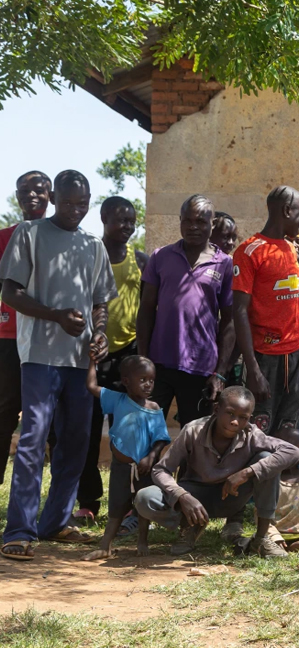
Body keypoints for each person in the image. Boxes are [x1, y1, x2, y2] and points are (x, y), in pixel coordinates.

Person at [0, 170, 117, 561]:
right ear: (54, 199)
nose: (75, 211)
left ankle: (55, 521)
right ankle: (18, 529)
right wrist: (55, 316)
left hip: (79, 361)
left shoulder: (93, 245)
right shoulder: (29, 234)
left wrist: (99, 333)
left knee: (75, 442)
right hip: (38, 356)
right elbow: (11, 293)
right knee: (33, 438)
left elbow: (101, 302)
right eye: (68, 203)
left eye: (82, 205)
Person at [134, 386, 299, 558]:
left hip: (230, 497)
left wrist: (246, 472)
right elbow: (161, 470)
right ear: (216, 409)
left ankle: (261, 539)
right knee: (144, 498)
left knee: (267, 459)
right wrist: (183, 496)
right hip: (193, 497)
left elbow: (294, 452)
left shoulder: (252, 434)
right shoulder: (194, 430)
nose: (235, 421)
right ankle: (190, 525)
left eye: (243, 417)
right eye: (230, 413)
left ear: (249, 419)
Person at [75, 196, 148, 526]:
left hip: (128, 357)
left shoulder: (141, 260)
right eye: (120, 220)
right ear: (104, 218)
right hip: (94, 355)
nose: (127, 226)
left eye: (132, 221)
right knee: (89, 430)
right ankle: (88, 501)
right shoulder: (90, 255)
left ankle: (129, 503)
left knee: (127, 433)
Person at [138, 194, 235, 427]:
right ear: (180, 221)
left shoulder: (224, 264)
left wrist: (220, 372)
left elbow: (229, 322)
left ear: (212, 224)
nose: (193, 227)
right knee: (148, 432)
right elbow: (146, 309)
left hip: (201, 367)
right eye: (187, 221)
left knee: (194, 441)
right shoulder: (161, 256)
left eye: (201, 221)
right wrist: (143, 359)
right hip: (159, 364)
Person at [233, 186, 299, 435]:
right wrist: (253, 369)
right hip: (265, 357)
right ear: (287, 211)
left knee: (288, 429)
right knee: (257, 431)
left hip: (298, 354)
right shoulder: (249, 252)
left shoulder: (290, 249)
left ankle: (281, 476)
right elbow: (239, 312)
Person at [82, 355, 169, 561]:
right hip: (120, 467)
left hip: (144, 468)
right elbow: (92, 386)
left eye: (151, 380)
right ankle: (105, 546)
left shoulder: (154, 408)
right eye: (142, 380)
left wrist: (151, 457)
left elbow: (161, 438)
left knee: (142, 509)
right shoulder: (117, 400)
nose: (148, 384)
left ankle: (142, 541)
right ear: (126, 381)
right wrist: (92, 362)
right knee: (116, 508)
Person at [0, 170, 50, 486]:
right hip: (8, 337)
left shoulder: (63, 236)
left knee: (50, 418)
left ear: (51, 195)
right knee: (4, 412)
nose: (30, 194)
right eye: (23, 190)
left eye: (38, 189)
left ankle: (63, 497)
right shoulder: (4, 237)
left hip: (49, 340)